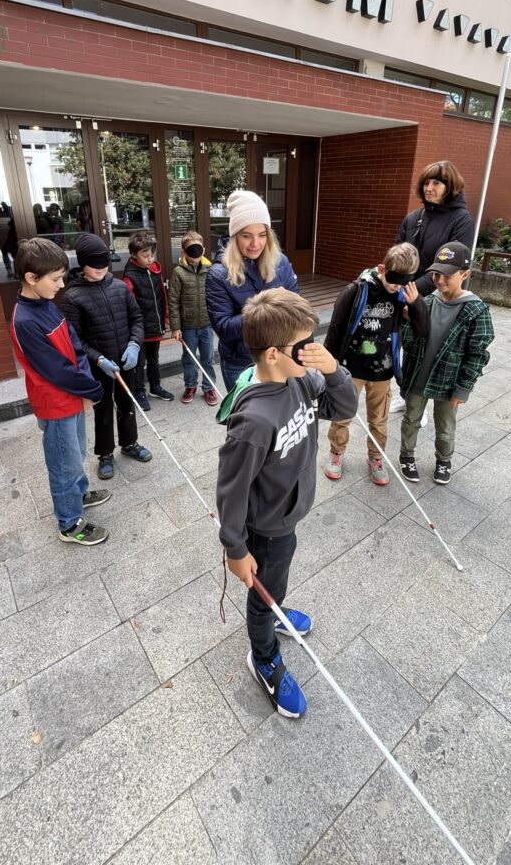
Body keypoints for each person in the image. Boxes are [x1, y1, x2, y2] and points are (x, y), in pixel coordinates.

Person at [216, 289, 358, 718]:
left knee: (277, 577)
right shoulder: (254, 422)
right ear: (274, 353)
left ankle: (274, 606)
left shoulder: (300, 379)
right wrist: (236, 550)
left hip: (288, 513)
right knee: (264, 592)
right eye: (304, 345)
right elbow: (231, 490)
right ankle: (264, 657)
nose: (313, 351)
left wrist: (332, 370)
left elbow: (343, 406)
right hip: (266, 527)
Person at [10, 237, 111, 546]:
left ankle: (78, 494)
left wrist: (86, 382)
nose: (61, 284)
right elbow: (55, 369)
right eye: (55, 279)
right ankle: (69, 523)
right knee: (64, 463)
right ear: (31, 278)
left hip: (72, 395)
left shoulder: (45, 305)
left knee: (76, 453)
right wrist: (93, 389)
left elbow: (73, 345)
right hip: (55, 404)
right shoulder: (25, 321)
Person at [323, 243, 420, 485]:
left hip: (382, 370)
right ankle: (336, 453)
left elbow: (421, 327)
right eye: (393, 281)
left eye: (402, 283)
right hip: (351, 368)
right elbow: (335, 329)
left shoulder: (401, 295)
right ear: (381, 269)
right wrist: (328, 367)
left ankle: (376, 457)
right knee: (342, 415)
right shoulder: (355, 290)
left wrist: (415, 303)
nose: (396, 287)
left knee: (379, 419)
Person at [399, 241, 494, 486]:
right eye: (435, 275)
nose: (440, 281)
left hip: (449, 381)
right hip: (418, 375)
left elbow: (477, 354)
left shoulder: (476, 310)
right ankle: (406, 455)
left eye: (447, 276)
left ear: (465, 275)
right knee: (411, 419)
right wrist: (408, 319)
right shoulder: (427, 302)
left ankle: (444, 460)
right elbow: (409, 342)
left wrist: (464, 388)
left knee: (445, 424)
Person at [61, 232, 152, 481]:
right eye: (94, 264)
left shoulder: (120, 287)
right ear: (82, 263)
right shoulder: (72, 297)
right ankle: (105, 453)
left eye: (104, 263)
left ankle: (129, 442)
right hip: (98, 365)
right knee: (102, 410)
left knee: (127, 403)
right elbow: (75, 339)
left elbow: (137, 319)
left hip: (125, 359)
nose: (101, 268)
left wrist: (134, 344)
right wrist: (98, 360)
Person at [391, 161, 475, 414]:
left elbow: (450, 266)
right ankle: (405, 394)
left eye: (436, 183)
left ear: (450, 187)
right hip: (407, 294)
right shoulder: (414, 218)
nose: (429, 188)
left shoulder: (461, 220)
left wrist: (411, 291)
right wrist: (394, 284)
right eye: (426, 183)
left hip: (438, 295)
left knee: (428, 350)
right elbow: (398, 255)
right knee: (406, 345)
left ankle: (421, 404)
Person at [206, 190, 299, 389]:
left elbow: (297, 305)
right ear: (235, 236)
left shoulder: (280, 261)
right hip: (241, 361)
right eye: (247, 236)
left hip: (279, 354)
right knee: (245, 409)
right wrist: (268, 309)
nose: (256, 244)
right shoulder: (218, 274)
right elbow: (224, 327)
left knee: (278, 408)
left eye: (262, 235)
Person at [122, 230, 173, 410]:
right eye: (145, 256)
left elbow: (163, 296)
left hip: (155, 326)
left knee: (154, 359)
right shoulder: (130, 277)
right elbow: (129, 307)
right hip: (140, 330)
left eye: (152, 255)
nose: (150, 259)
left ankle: (155, 387)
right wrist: (133, 330)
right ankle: (139, 391)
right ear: (133, 255)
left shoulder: (155, 271)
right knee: (139, 363)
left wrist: (165, 317)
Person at [168, 230, 220, 406]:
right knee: (189, 359)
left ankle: (209, 387)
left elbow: (216, 297)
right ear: (183, 252)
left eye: (198, 249)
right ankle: (190, 385)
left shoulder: (210, 270)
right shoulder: (178, 272)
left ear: (203, 250)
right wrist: (175, 327)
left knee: (208, 358)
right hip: (188, 326)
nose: (195, 253)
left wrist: (217, 321)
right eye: (191, 250)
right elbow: (173, 300)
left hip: (206, 325)